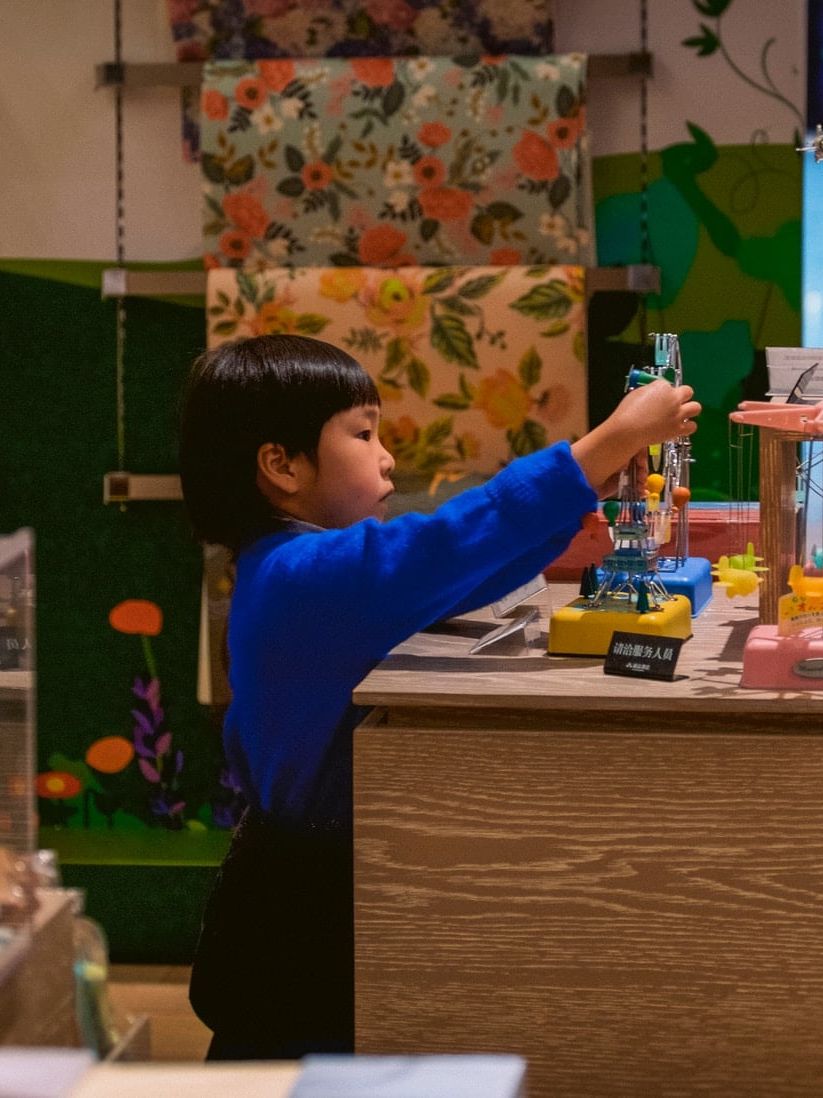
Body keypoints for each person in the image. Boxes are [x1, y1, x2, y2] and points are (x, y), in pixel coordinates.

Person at [179, 333, 700, 1061]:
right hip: (301, 908)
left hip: (308, 885)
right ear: (281, 465)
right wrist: (607, 442)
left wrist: (587, 483)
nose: (386, 456)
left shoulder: (296, 569)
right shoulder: (304, 573)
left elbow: (454, 573)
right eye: (363, 434)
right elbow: (438, 549)